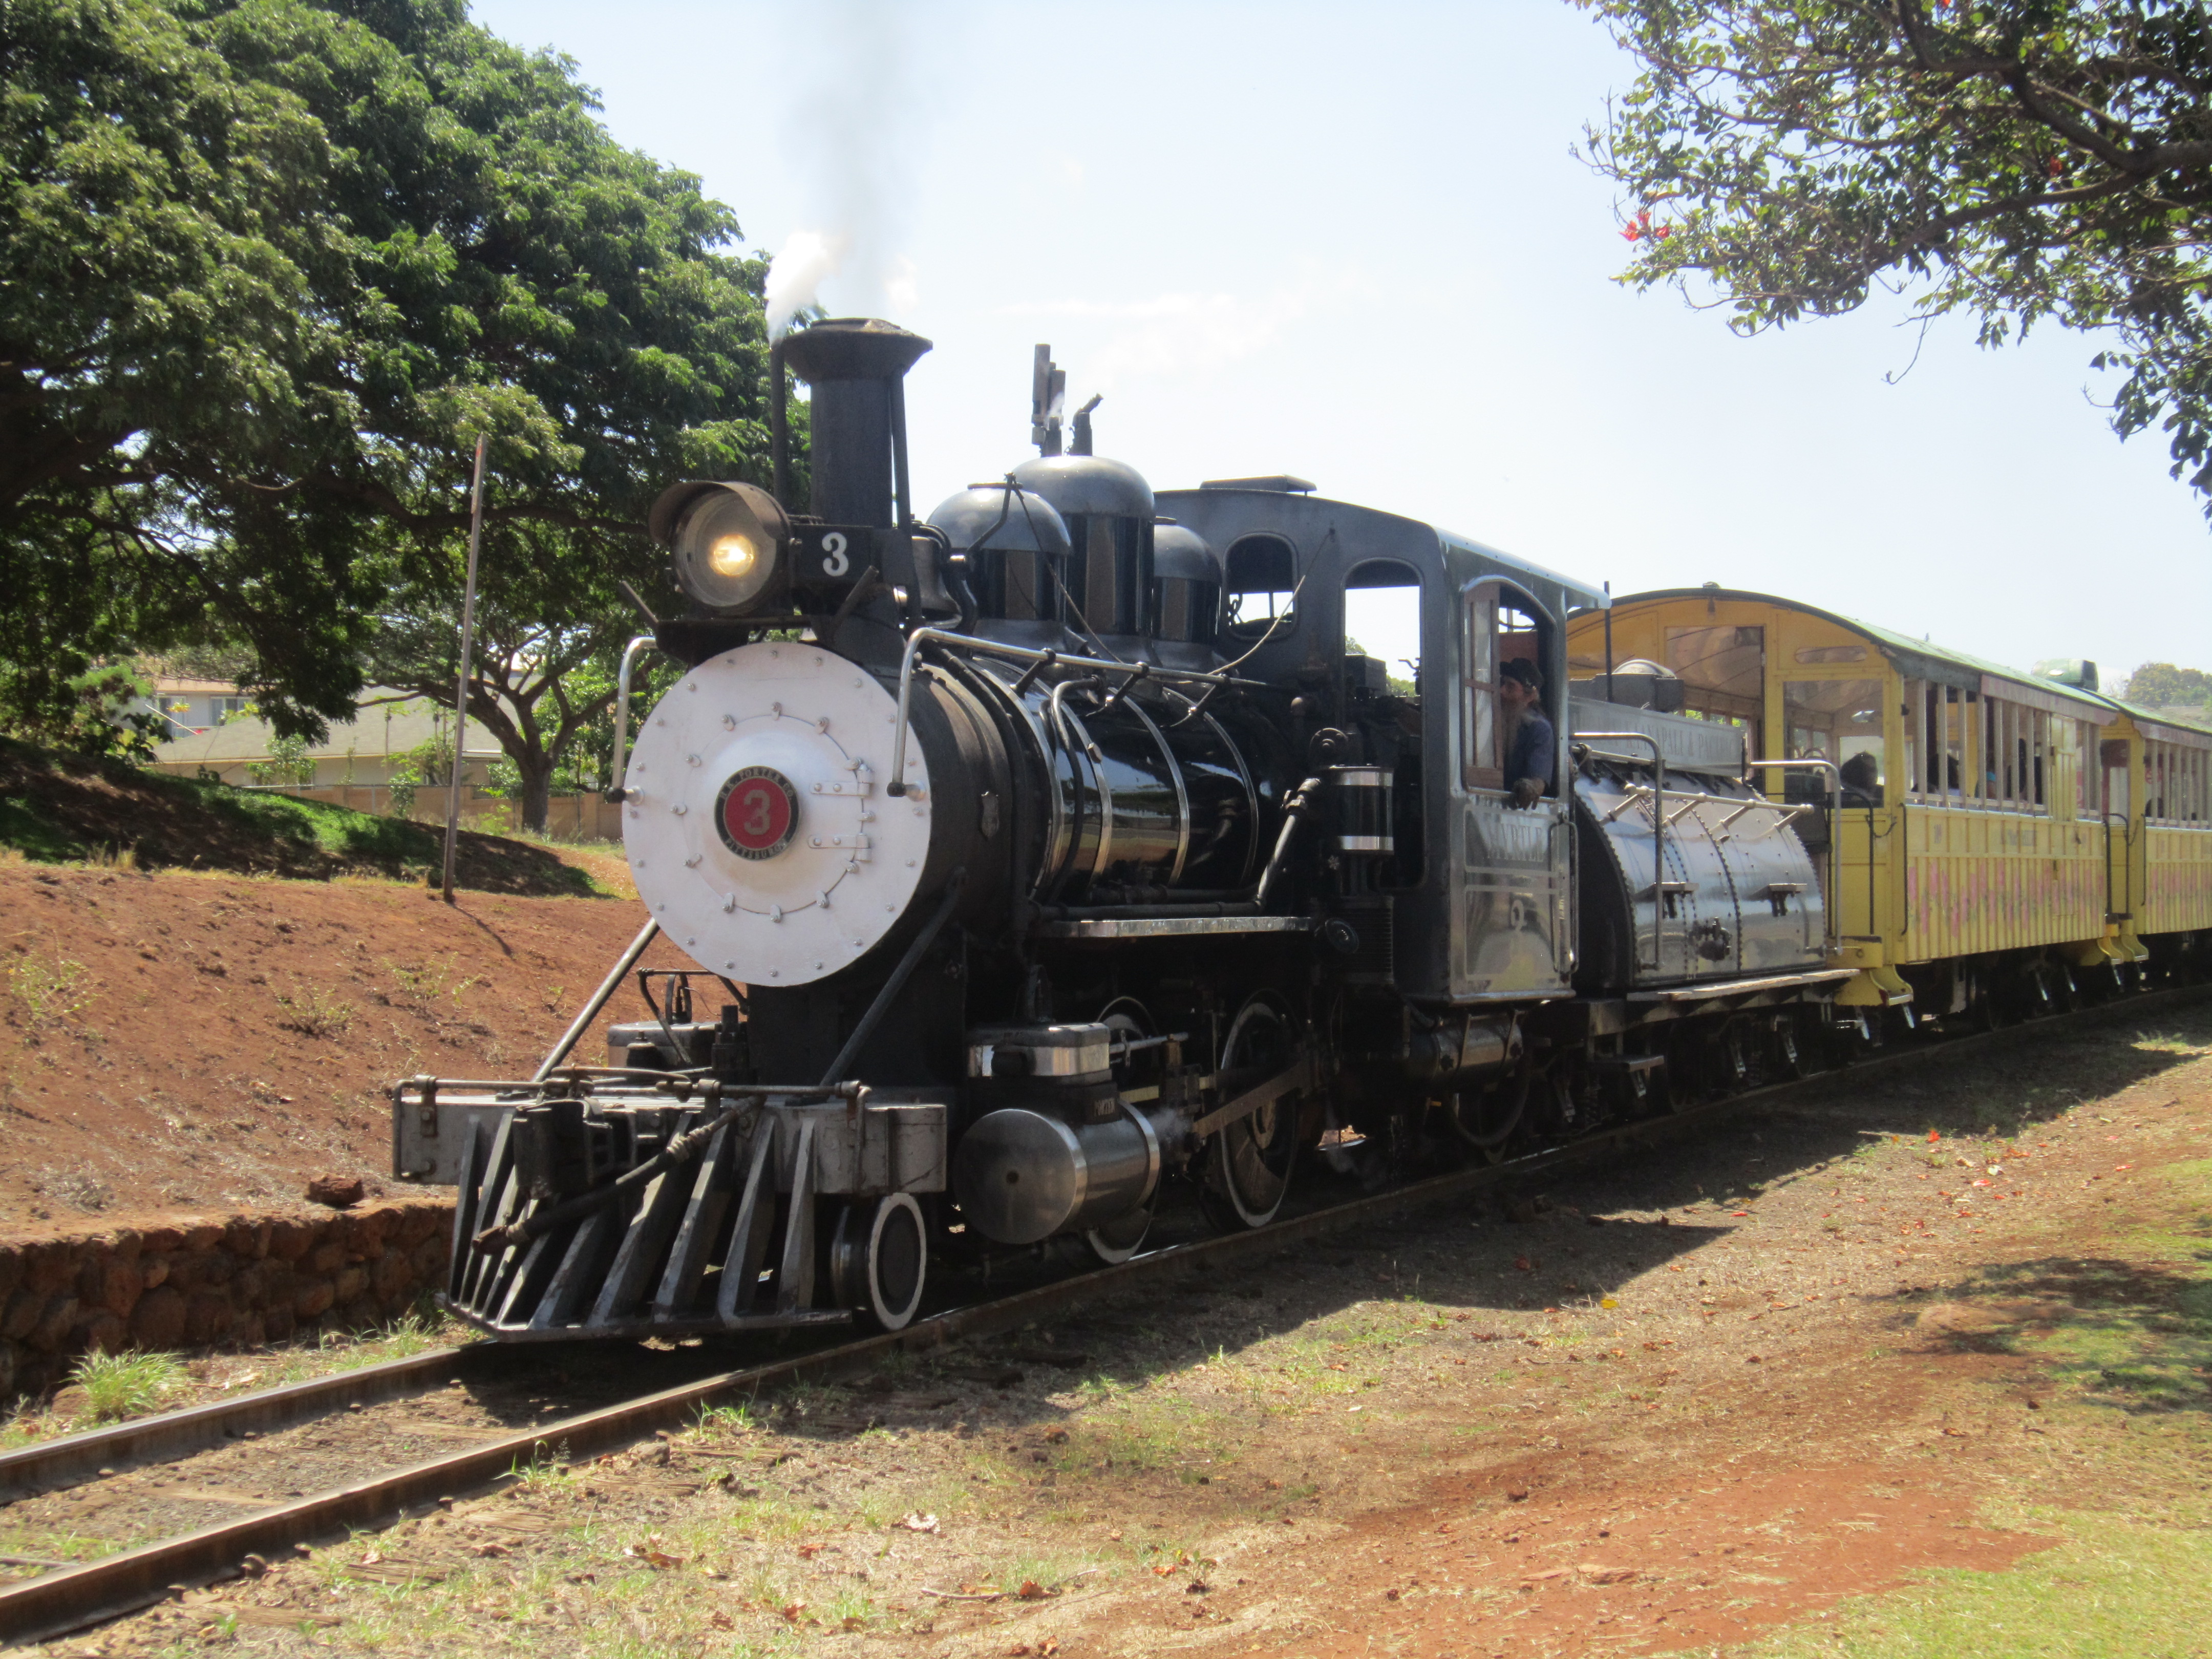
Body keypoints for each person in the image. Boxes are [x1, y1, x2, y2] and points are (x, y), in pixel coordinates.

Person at [1498, 658, 1554, 808]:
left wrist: (1529, 787)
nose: (1501, 691)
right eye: (1501, 684)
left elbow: (1538, 780)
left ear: (1529, 697)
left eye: (1510, 687)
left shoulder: (1539, 730)